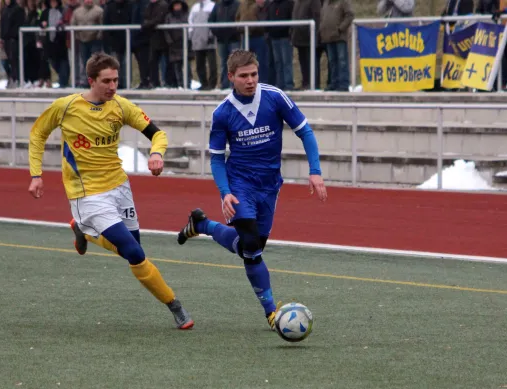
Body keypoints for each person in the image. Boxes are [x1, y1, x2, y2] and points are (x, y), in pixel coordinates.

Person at [27, 52, 194, 330]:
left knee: (133, 248)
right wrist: (36, 174)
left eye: (116, 80)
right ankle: (175, 306)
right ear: (91, 80)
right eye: (107, 81)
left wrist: (157, 154)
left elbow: (158, 133)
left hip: (119, 186)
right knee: (135, 253)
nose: (113, 86)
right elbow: (37, 134)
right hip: (87, 194)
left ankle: (86, 234)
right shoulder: (65, 107)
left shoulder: (121, 106)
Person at [176, 50, 327, 330]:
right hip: (239, 185)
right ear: (231, 77)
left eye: (254, 74)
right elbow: (217, 158)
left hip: (269, 186)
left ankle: (202, 224)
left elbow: (305, 131)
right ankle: (271, 312)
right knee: (253, 250)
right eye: (243, 76)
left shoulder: (275, 97)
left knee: (249, 248)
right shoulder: (223, 113)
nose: (250, 81)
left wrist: (315, 171)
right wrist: (225, 192)